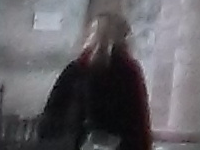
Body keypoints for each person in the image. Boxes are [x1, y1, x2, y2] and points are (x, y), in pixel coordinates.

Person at [39, 12, 153, 150]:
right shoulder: (129, 72)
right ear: (124, 38)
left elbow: (51, 115)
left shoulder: (76, 69)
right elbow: (139, 122)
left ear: (91, 35)